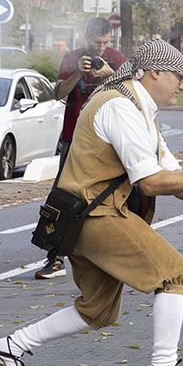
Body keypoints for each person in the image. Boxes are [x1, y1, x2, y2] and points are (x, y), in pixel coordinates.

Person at [0, 39, 183, 366]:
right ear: (155, 72)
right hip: (94, 215)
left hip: (82, 218)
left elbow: (169, 176)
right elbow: (151, 183)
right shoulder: (121, 107)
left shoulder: (139, 110)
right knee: (176, 274)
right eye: (179, 76)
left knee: (98, 310)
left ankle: (10, 347)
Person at [39, 17, 126, 280]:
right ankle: (54, 258)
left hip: (108, 141)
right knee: (63, 196)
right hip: (74, 138)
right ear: (86, 38)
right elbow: (58, 94)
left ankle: (113, 257)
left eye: (105, 43)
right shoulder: (73, 58)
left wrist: (111, 74)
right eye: (96, 43)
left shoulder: (117, 58)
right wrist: (78, 72)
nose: (100, 49)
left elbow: (131, 92)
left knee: (115, 197)